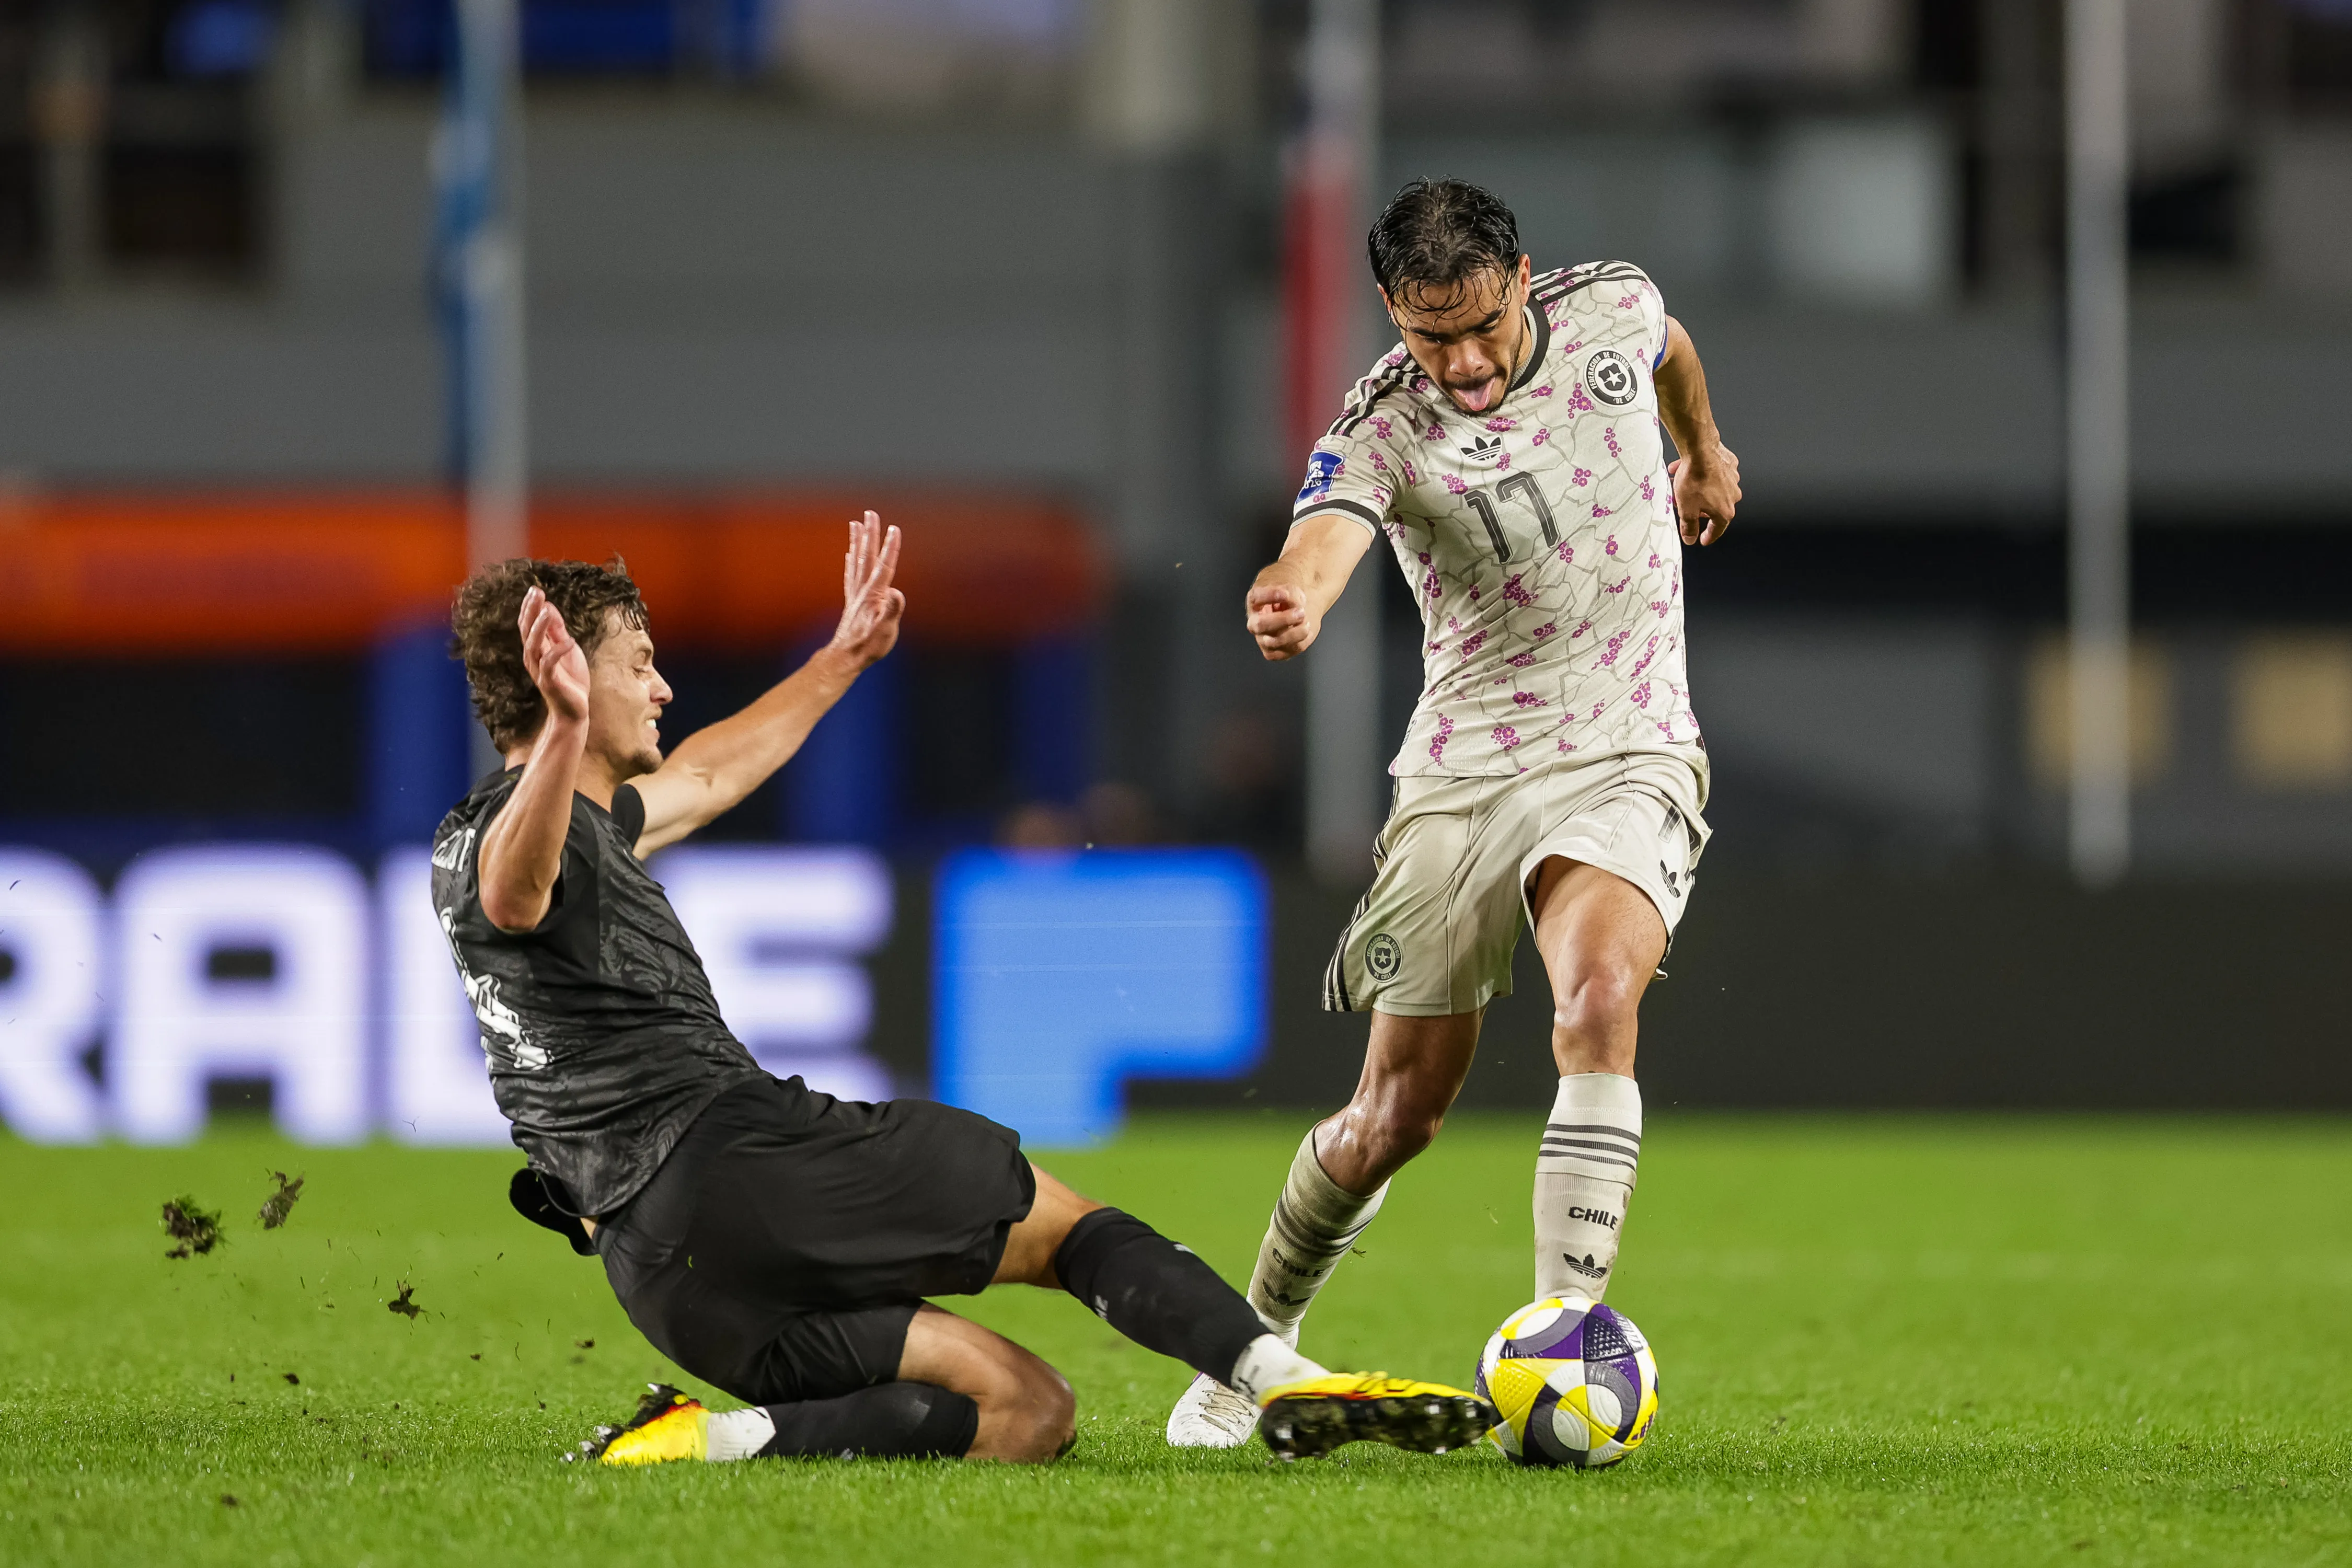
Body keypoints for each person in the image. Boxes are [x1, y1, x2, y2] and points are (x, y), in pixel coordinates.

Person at [433, 514, 1493, 1466]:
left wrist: (841, 659)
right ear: (566, 678)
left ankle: (705, 1440)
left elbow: (708, 774)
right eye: (640, 666)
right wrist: (568, 730)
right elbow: (518, 897)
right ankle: (1284, 1385)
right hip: (738, 1168)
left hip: (663, 1273)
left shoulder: (540, 825)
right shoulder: (528, 832)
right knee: (1067, 1228)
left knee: (1026, 1411)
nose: (662, 686)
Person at [1167, 179, 1742, 1446]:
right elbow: (1323, 533)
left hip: (1628, 743)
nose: (1465, 362)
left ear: (1521, 280)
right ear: (1393, 312)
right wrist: (1293, 596)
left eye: (1481, 326)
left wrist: (1700, 449)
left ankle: (1566, 1333)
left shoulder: (1616, 309)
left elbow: (1673, 349)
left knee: (1600, 1000)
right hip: (1464, 771)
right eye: (1434, 337)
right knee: (1392, 1119)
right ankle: (1247, 1354)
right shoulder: (1383, 425)